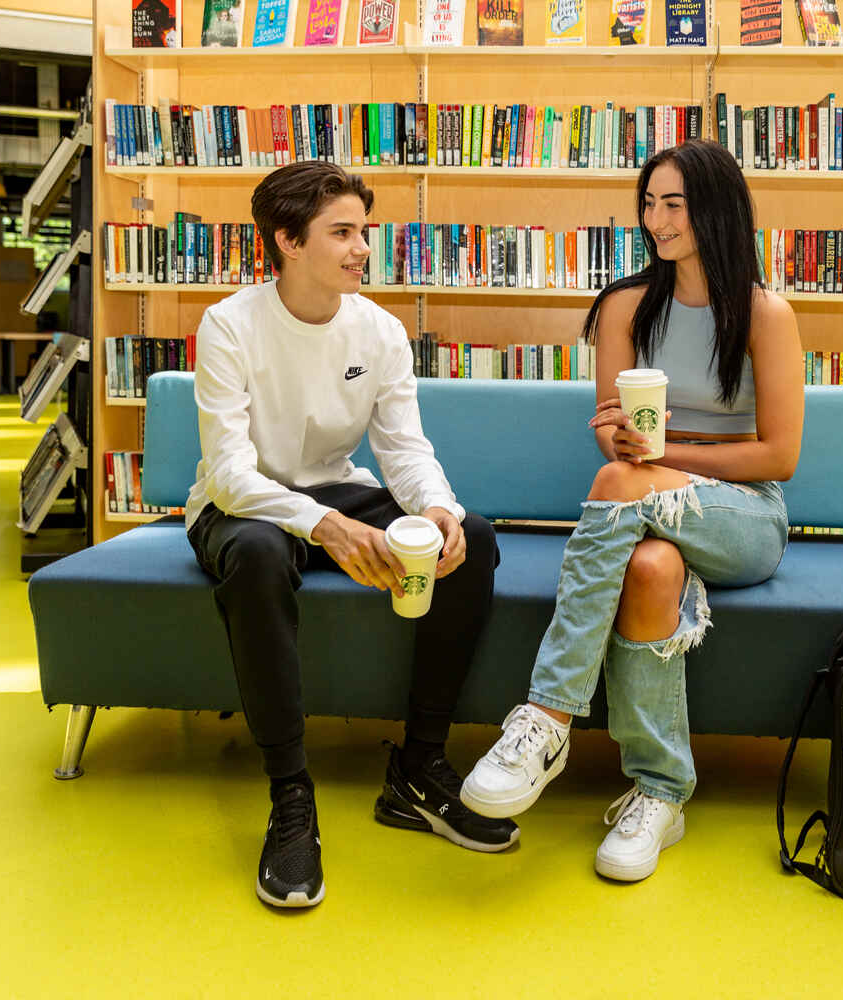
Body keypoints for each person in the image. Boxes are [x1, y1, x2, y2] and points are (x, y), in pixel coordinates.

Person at [459, 139, 804, 881]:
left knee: (620, 484)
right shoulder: (622, 306)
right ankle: (660, 793)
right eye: (649, 202)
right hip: (652, 513)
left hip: (745, 518)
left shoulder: (765, 313)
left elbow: (779, 457)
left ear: (715, 208)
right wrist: (624, 441)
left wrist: (664, 462)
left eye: (672, 203)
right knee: (649, 569)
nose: (655, 218)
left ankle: (547, 717)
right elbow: (618, 439)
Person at [186, 161, 517, 909]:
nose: (362, 248)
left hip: (337, 490)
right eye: (342, 232)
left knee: (477, 540)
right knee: (266, 553)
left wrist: (439, 509)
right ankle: (290, 797)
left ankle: (419, 769)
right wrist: (324, 526)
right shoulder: (229, 324)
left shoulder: (381, 329)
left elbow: (402, 449)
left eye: (363, 231)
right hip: (238, 508)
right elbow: (232, 474)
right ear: (288, 241)